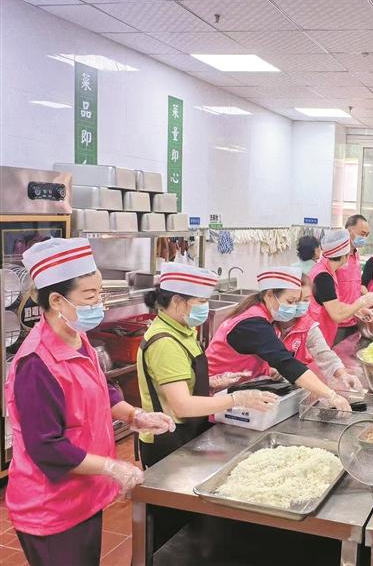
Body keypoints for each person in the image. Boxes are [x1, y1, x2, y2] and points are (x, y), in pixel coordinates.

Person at [5, 238, 172, 566]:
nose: (99, 303)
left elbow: (100, 388)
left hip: (83, 495)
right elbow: (46, 447)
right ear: (57, 300)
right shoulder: (36, 365)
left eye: (100, 294)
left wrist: (135, 416)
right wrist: (112, 467)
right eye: (90, 295)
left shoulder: (77, 337)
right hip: (52, 508)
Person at [137, 262, 279, 468]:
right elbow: (182, 405)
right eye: (201, 301)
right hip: (168, 438)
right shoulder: (165, 342)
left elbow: (177, 381)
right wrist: (237, 399)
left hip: (188, 430)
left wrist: (210, 383)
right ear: (177, 301)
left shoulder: (182, 330)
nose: (205, 307)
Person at [206, 266, 354, 411]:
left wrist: (267, 369)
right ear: (270, 295)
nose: (294, 308)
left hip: (235, 393)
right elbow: (285, 362)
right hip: (216, 396)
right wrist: (330, 394)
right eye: (290, 302)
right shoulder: (253, 323)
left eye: (297, 302)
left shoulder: (265, 315)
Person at [308, 230, 373, 347]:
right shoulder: (323, 277)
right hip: (316, 340)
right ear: (345, 256)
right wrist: (362, 302)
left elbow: (334, 304)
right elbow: (337, 314)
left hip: (321, 336)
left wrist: (358, 311)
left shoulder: (325, 269)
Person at [334, 214, 370, 344]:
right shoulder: (336, 256)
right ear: (349, 231)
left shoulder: (356, 255)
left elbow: (354, 284)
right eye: (362, 234)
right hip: (338, 321)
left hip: (355, 319)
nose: (364, 238)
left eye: (367, 235)